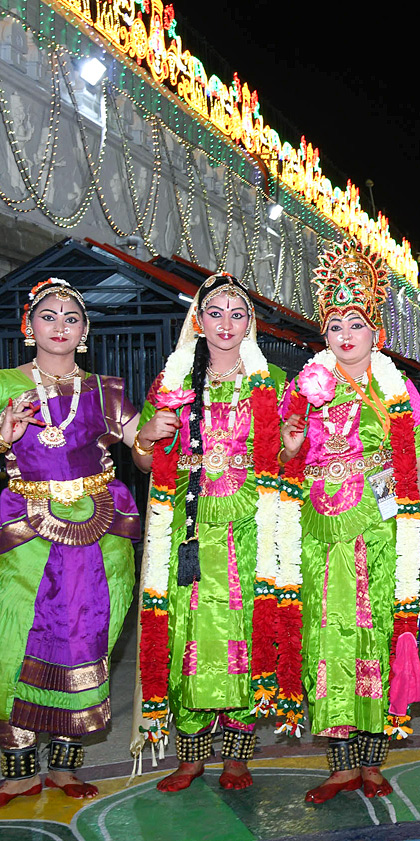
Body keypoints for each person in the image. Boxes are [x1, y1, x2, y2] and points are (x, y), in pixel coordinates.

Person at [279, 239, 420, 803]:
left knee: (378, 637)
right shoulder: (302, 387)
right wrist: (294, 443)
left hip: (381, 533)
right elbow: (283, 463)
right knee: (328, 643)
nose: (345, 335)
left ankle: (373, 762)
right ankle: (339, 763)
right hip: (322, 535)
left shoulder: (400, 393)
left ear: (376, 331)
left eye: (356, 322)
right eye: (333, 325)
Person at [134, 274, 287, 792]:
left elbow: (290, 457)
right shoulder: (174, 379)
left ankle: (239, 754)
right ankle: (192, 752)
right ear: (198, 318)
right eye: (215, 312)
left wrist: (290, 444)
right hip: (191, 524)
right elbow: (145, 458)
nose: (225, 323)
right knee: (188, 633)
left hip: (249, 524)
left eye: (237, 313)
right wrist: (145, 436)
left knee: (243, 631)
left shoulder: (273, 382)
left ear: (250, 323)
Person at [0, 279, 142, 805]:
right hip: (24, 528)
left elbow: (143, 447)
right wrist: (2, 438)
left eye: (72, 318)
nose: (60, 326)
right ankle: (16, 769)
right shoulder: (4, 385)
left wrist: (159, 432)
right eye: (49, 316)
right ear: (28, 325)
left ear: (85, 331)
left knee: (85, 638)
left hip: (99, 529)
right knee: (15, 638)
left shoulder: (105, 390)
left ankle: (63, 766)